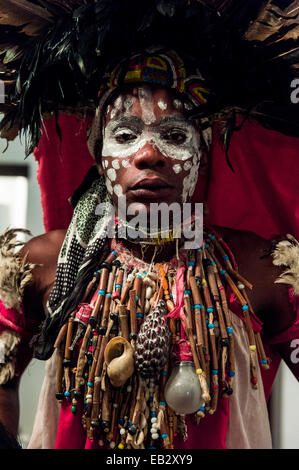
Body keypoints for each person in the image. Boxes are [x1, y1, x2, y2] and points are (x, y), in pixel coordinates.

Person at [0, 0, 298, 450]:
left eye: (175, 136)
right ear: (99, 154)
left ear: (203, 152)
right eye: (125, 135)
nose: (148, 154)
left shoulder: (260, 271)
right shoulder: (44, 266)